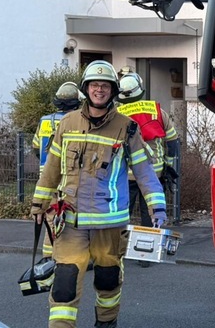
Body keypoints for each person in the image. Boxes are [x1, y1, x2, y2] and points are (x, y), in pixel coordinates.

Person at [30, 60, 167, 328]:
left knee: (108, 281)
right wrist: (38, 205)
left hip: (109, 224)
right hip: (70, 222)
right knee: (64, 285)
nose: (99, 90)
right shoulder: (67, 123)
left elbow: (144, 172)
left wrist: (157, 208)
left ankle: (106, 323)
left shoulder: (127, 128)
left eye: (105, 86)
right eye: (95, 85)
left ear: (113, 90)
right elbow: (51, 170)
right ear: (86, 88)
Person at [116, 71, 179, 261]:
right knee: (149, 212)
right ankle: (144, 254)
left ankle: (116, 251)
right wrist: (168, 165)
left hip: (123, 175)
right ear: (140, 89)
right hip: (153, 173)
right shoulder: (157, 111)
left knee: (120, 212)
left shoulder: (115, 114)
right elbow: (173, 141)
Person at [31, 82, 83, 258]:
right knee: (74, 219)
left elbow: (37, 147)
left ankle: (49, 257)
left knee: (51, 218)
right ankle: (71, 256)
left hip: (46, 179)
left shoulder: (45, 120)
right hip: (70, 179)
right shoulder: (79, 120)